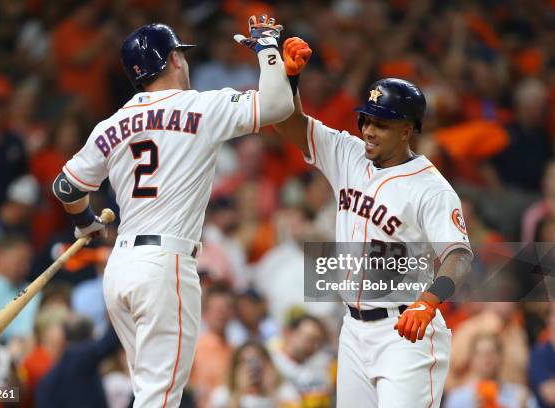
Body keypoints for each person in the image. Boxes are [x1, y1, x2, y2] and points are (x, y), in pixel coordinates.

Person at [51, 16, 294, 407]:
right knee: (160, 397)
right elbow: (279, 104)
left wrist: (85, 222)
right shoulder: (200, 106)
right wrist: (268, 48)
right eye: (180, 54)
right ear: (174, 59)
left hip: (120, 270)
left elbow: (66, 187)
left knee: (148, 391)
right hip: (165, 265)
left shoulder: (111, 123)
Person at [272, 38, 473, 407]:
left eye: (381, 123)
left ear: (407, 130)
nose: (368, 129)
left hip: (405, 332)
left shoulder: (431, 188)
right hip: (353, 328)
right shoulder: (347, 154)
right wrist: (288, 80)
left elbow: (459, 255)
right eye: (366, 118)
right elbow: (288, 122)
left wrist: (428, 302)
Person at [445, 333, 536, 408]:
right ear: (472, 360)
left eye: (492, 353)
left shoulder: (521, 396)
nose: (487, 358)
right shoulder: (457, 399)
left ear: (501, 357)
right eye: (480, 354)